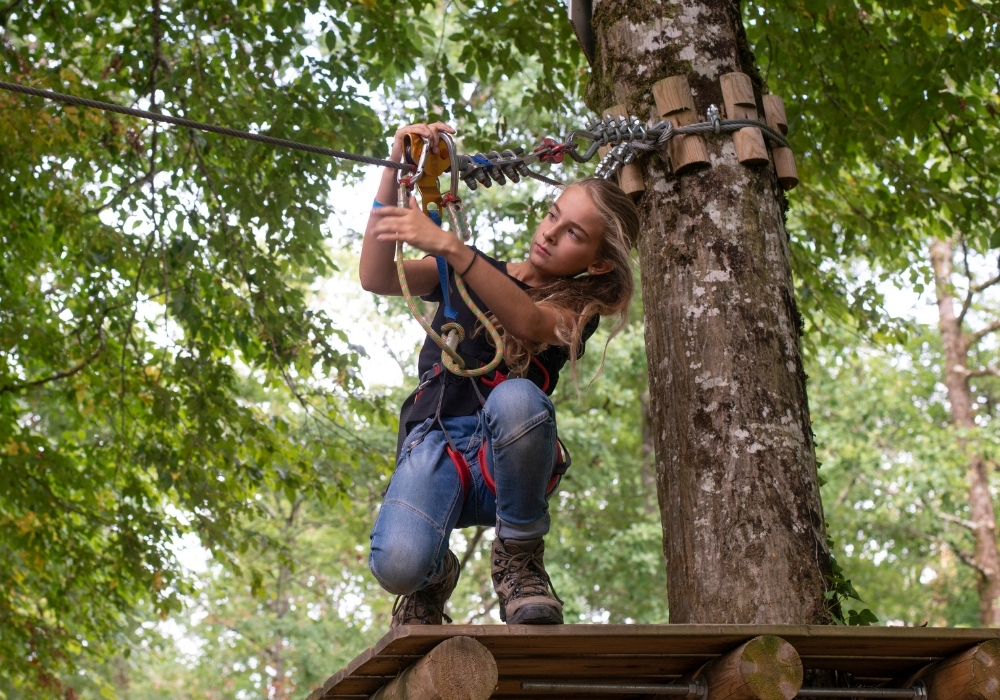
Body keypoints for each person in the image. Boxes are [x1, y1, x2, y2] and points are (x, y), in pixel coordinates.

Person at [360, 122, 639, 627]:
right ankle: (432, 576)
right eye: (553, 216)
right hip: (435, 442)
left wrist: (449, 247)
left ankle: (519, 553)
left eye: (573, 234)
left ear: (597, 265)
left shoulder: (578, 310)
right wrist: (396, 166)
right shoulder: (470, 268)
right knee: (398, 565)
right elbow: (377, 276)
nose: (550, 233)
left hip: (502, 459)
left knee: (517, 398)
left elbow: (529, 322)